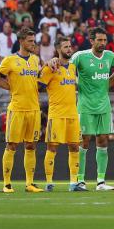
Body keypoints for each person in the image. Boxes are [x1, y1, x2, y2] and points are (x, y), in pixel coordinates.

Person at [70, 27, 114, 191]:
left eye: (105, 40)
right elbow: (66, 69)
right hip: (85, 106)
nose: (102, 43)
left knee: (103, 140)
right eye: (99, 40)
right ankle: (81, 180)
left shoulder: (110, 57)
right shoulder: (80, 56)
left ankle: (100, 182)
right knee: (84, 142)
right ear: (91, 41)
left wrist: (109, 83)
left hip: (103, 106)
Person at [0, 28, 44, 193]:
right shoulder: (9, 60)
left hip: (34, 108)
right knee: (12, 145)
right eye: (30, 41)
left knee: (31, 145)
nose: (33, 44)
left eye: (34, 40)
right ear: (21, 41)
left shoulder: (35, 59)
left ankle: (29, 183)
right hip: (17, 108)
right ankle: (7, 184)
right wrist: (10, 87)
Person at [39, 35, 81, 192]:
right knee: (52, 148)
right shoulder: (50, 68)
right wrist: (45, 64)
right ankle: (49, 182)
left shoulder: (72, 67)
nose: (69, 49)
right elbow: (36, 84)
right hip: (56, 114)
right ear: (58, 50)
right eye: (66, 47)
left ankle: (73, 183)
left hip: (72, 114)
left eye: (70, 46)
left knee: (75, 147)